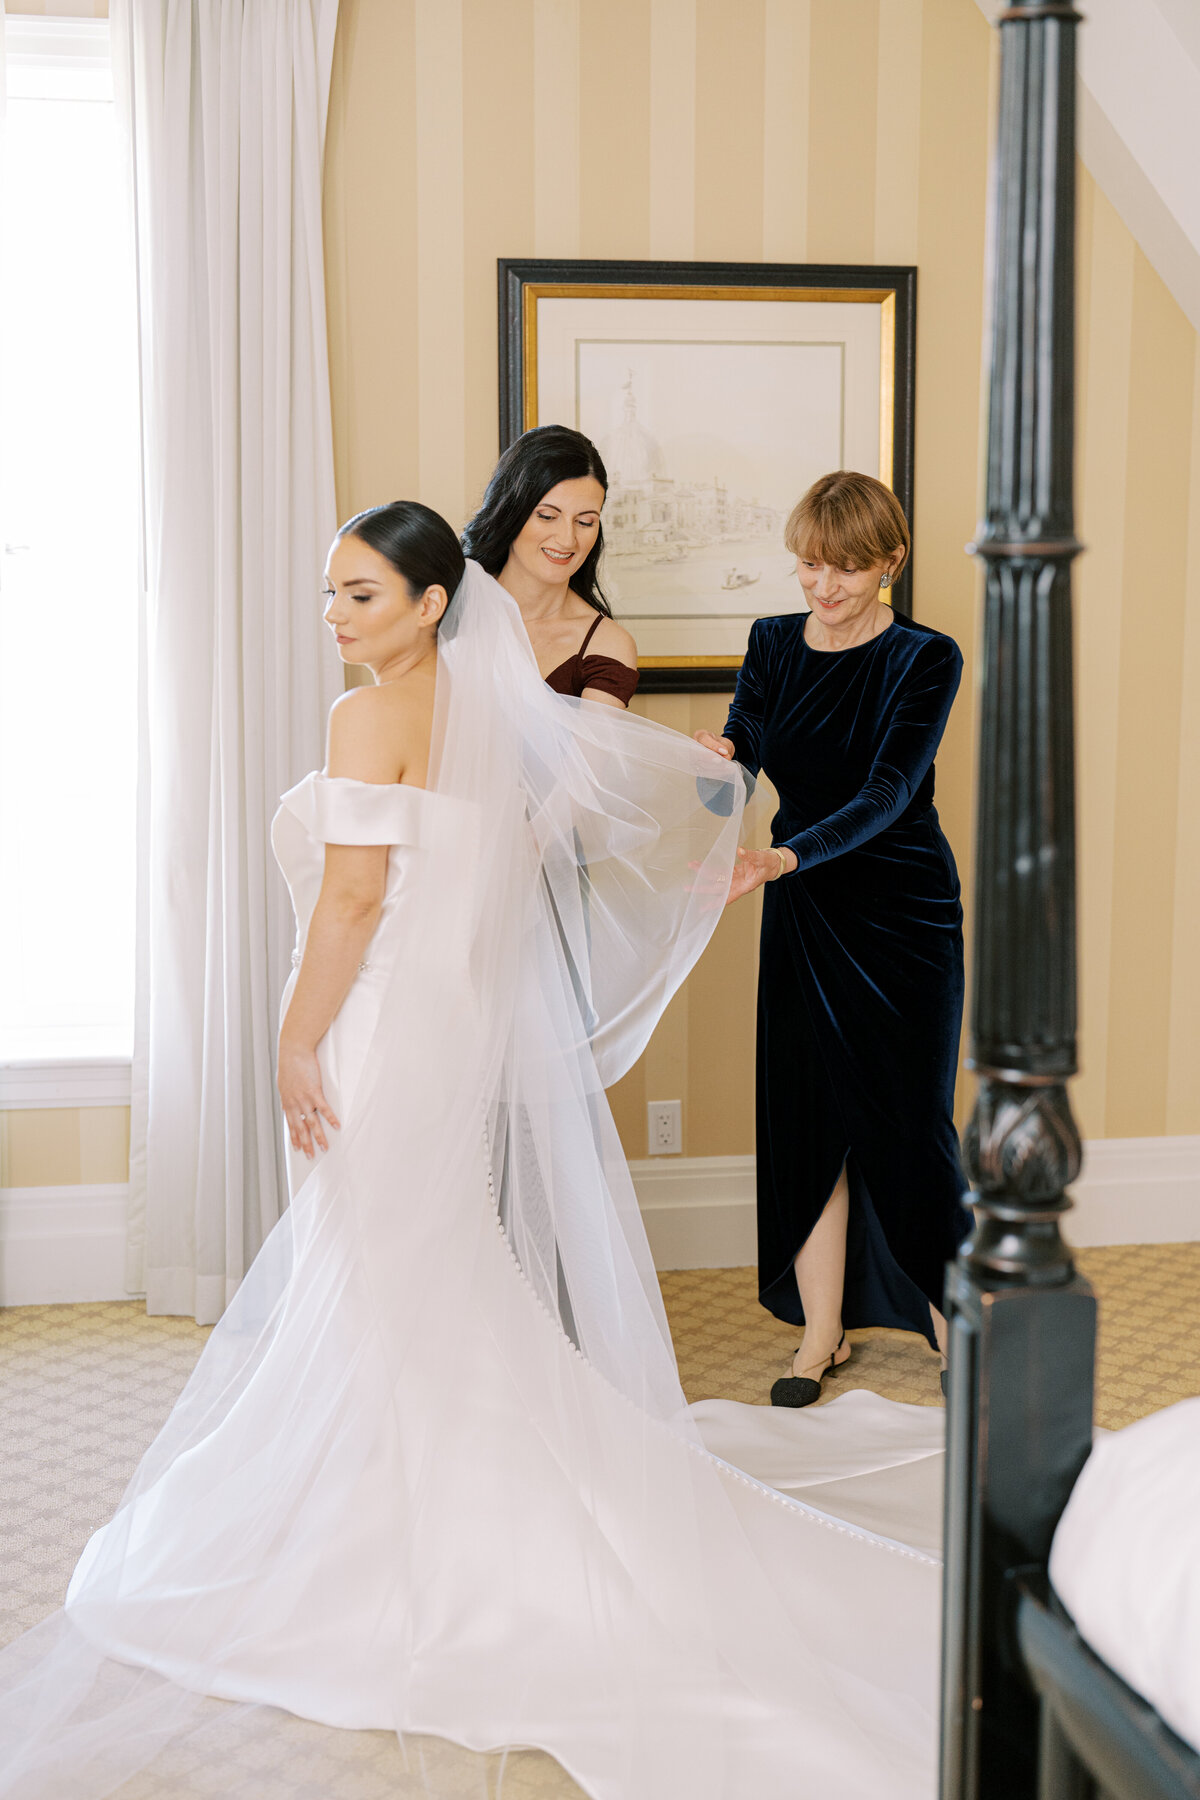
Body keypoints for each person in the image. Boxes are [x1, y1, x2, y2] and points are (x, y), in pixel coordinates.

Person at [0, 502, 949, 1800]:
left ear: (433, 604)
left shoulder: (364, 719)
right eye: (330, 592)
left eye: (362, 597)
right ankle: (404, 1479)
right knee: (425, 1259)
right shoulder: (496, 716)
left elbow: (348, 901)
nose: (335, 617)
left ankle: (405, 1510)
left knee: (381, 1261)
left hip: (380, 1029)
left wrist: (295, 1041)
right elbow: (508, 866)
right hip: (449, 1027)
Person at [700, 471, 972, 1408]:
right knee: (810, 1116)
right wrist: (718, 763)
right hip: (806, 907)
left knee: (910, 1123)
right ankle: (821, 1337)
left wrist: (783, 856)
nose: (823, 586)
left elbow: (889, 795)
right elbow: (746, 742)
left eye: (846, 569)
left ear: (890, 562)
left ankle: (952, 1324)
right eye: (810, 565)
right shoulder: (773, 641)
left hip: (903, 910)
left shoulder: (926, 658)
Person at [462, 424, 639, 706]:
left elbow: (591, 751)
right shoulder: (449, 605)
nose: (567, 539)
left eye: (585, 522)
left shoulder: (607, 645)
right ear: (510, 512)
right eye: (547, 516)